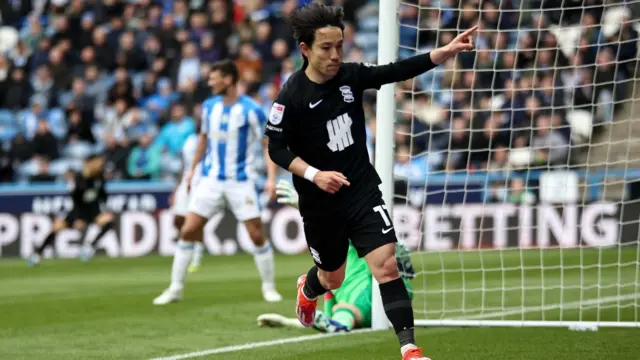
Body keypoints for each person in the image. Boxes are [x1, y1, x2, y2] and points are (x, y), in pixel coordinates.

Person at [265, 3, 476, 359]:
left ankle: (409, 348)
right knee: (332, 278)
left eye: (339, 46)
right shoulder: (291, 96)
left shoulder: (351, 75)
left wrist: (442, 53)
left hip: (361, 189)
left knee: (387, 265)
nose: (335, 55)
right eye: (326, 48)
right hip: (320, 202)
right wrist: (315, 175)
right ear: (305, 50)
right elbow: (276, 148)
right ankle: (308, 287)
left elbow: (395, 70)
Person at [153, 59, 282, 305]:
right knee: (189, 229)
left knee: (256, 234)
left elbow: (268, 145)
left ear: (229, 79)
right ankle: (175, 288)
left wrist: (271, 178)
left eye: (215, 79)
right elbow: (203, 139)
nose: (210, 83)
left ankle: (268, 287)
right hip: (211, 180)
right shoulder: (209, 106)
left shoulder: (251, 110)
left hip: (240, 181)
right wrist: (192, 171)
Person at [257, 181, 415, 333]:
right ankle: (342, 324)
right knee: (340, 305)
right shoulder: (334, 269)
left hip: (374, 294)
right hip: (366, 309)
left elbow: (341, 224)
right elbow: (325, 318)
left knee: (347, 305)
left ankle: (343, 324)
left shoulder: (358, 241)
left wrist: (303, 205)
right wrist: (286, 321)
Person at [27, 154, 115, 266]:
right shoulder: (79, 178)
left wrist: (107, 210)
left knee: (109, 222)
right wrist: (78, 218)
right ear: (90, 163)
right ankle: (36, 255)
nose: (101, 165)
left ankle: (89, 247)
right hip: (78, 211)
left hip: (94, 211)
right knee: (56, 227)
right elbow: (75, 200)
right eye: (98, 163)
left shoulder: (100, 177)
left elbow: (103, 196)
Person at [170, 129, 204, 274]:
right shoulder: (190, 139)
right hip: (187, 179)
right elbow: (185, 164)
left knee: (196, 219)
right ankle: (187, 245)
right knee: (178, 218)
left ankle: (197, 257)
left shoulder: (211, 137)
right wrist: (177, 187)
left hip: (203, 181)